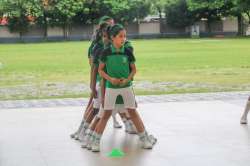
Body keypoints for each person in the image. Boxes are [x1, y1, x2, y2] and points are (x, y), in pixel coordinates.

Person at [90, 24, 156, 152]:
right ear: (113, 38)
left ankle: (144, 139)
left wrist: (127, 79)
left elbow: (134, 70)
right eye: (121, 36)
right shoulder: (106, 52)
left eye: (125, 36)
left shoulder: (127, 51)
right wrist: (111, 79)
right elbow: (100, 70)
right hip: (111, 88)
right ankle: (95, 142)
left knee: (132, 112)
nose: (124, 39)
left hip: (127, 87)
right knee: (106, 114)